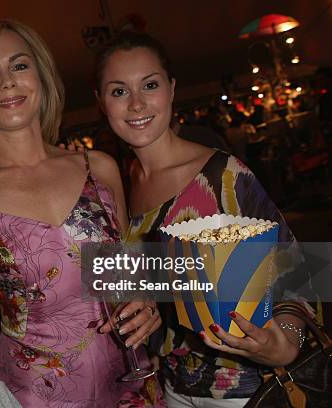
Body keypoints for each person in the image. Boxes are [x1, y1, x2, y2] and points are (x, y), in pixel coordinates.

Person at [0, 19, 164, 407]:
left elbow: (128, 276)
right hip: (31, 397)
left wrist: (149, 298)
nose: (7, 81)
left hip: (130, 383)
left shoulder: (101, 168)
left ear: (42, 76)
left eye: (19, 65)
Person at [94, 31, 310, 407]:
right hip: (171, 387)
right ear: (101, 103)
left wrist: (287, 343)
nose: (136, 103)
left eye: (149, 85)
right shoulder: (120, 184)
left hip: (244, 388)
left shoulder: (222, 174)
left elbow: (297, 271)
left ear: (172, 89)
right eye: (118, 91)